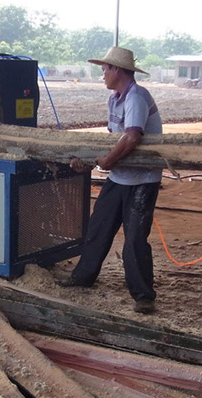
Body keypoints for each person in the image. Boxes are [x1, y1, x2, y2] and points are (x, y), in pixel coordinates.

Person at [60, 46, 162, 314]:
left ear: (117, 69)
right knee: (98, 228)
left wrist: (106, 161)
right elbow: (112, 141)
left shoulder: (136, 97)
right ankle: (83, 277)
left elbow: (132, 137)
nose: (102, 74)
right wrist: (89, 160)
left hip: (142, 180)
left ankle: (144, 296)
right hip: (120, 176)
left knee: (135, 239)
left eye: (105, 69)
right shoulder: (114, 99)